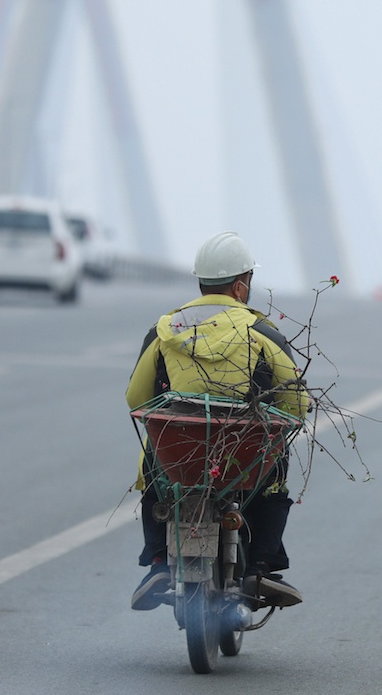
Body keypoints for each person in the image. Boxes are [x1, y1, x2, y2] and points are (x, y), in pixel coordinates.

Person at [125, 231, 310, 612]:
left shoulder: (166, 330)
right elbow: (295, 404)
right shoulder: (262, 333)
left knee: (153, 470)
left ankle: (159, 560)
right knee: (273, 476)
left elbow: (136, 399)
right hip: (243, 451)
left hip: (180, 452)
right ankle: (259, 567)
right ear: (241, 286)